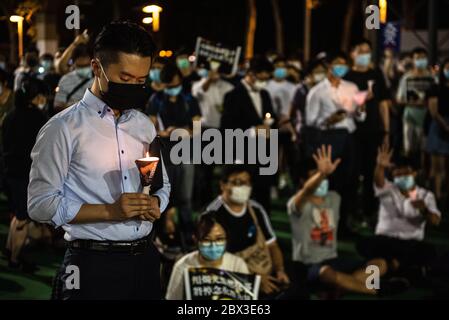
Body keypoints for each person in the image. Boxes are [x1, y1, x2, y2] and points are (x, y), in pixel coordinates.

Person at [28, 21, 171, 300]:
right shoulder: (63, 128)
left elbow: (160, 183)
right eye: (125, 79)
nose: (133, 87)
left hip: (145, 258)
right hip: (89, 263)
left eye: (141, 81)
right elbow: (39, 204)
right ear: (97, 68)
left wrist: (157, 203)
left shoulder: (143, 125)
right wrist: (110, 211)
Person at [287, 145, 397, 297]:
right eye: (316, 177)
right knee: (326, 273)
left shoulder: (334, 198)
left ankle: (338, 289)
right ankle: (375, 289)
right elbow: (305, 191)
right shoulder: (296, 204)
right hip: (307, 266)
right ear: (302, 181)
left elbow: (374, 185)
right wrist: (321, 174)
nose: (322, 180)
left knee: (379, 264)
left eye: (324, 177)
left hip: (333, 260)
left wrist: (379, 167)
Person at [206, 165, 291, 298]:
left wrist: (280, 270)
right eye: (236, 182)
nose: (242, 187)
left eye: (246, 182)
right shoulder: (212, 214)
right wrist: (252, 280)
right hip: (233, 278)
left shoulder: (256, 209)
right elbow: (213, 262)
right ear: (222, 185)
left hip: (261, 267)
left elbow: (272, 245)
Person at [305, 52, 366, 237]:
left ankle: (344, 224)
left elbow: (360, 116)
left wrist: (361, 109)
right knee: (329, 182)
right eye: (337, 64)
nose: (341, 67)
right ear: (329, 66)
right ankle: (325, 224)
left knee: (349, 182)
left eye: (344, 64)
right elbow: (310, 120)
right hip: (328, 138)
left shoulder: (352, 87)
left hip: (349, 137)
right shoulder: (317, 91)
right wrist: (329, 120)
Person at [357, 144, 441, 278]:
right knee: (367, 244)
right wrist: (380, 166)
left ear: (414, 173)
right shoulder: (388, 189)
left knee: (429, 251)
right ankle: (398, 270)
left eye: (406, 173)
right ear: (392, 174)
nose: (402, 176)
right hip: (384, 240)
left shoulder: (425, 195)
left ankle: (384, 274)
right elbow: (378, 181)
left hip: (409, 243)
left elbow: (435, 220)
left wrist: (424, 210)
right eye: (398, 173)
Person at [147, 61, 201, 249]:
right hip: (164, 154)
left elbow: (197, 127)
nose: (173, 89)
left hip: (186, 153)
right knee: (164, 196)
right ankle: (164, 235)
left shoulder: (189, 100)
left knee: (185, 198)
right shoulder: (156, 100)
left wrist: (178, 131)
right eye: (169, 86)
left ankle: (188, 235)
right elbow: (151, 128)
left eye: (176, 85)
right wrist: (163, 133)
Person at [221, 56, 277, 214]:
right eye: (261, 78)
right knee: (243, 194)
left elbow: (270, 116)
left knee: (263, 194)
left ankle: (264, 230)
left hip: (264, 153)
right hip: (242, 152)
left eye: (267, 78)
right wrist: (252, 131)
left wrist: (271, 123)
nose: (264, 82)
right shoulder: (233, 96)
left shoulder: (264, 94)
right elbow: (227, 128)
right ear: (251, 74)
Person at [3, 77, 48, 272]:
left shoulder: (11, 115)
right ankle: (15, 259)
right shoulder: (37, 118)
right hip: (25, 174)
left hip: (10, 171)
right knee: (22, 219)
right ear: (36, 97)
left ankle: (8, 248)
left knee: (17, 214)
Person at [344, 39, 391, 225]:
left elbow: (383, 103)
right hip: (353, 132)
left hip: (373, 131)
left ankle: (369, 211)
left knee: (372, 171)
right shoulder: (346, 76)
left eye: (367, 51)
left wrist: (386, 129)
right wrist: (362, 98)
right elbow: (345, 104)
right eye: (360, 51)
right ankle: (352, 211)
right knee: (352, 173)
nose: (364, 55)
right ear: (352, 53)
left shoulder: (376, 74)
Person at [165, 213, 249, 300]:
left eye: (219, 239)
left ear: (226, 238)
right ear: (196, 239)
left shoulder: (237, 264)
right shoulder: (183, 265)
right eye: (206, 240)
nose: (213, 245)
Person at [192, 61, 234, 207]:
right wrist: (209, 79)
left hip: (223, 131)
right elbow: (198, 93)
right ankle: (202, 200)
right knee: (204, 169)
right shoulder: (199, 84)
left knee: (224, 168)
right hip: (204, 130)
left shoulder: (228, 87)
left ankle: (222, 199)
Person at [396, 47, 436, 165]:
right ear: (412, 60)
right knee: (409, 149)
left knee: (424, 150)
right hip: (409, 117)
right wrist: (414, 103)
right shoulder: (406, 77)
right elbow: (399, 99)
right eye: (417, 58)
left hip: (427, 118)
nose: (420, 61)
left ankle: (422, 175)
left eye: (423, 58)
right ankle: (409, 170)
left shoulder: (432, 78)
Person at [265, 57, 297, 192]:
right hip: (273, 126)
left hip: (289, 127)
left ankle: (293, 184)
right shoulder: (267, 86)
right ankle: (272, 186)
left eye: (283, 66)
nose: (281, 69)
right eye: (278, 66)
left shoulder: (293, 87)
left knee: (291, 158)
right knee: (271, 157)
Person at [425, 58, 449, 204]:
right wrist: (445, 126)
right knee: (437, 167)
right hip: (439, 126)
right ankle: (437, 197)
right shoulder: (435, 88)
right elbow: (433, 111)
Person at [53, 44, 94, 113]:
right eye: (80, 66)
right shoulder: (66, 79)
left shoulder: (98, 80)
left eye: (86, 66)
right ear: (73, 63)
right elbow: (58, 106)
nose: (83, 69)